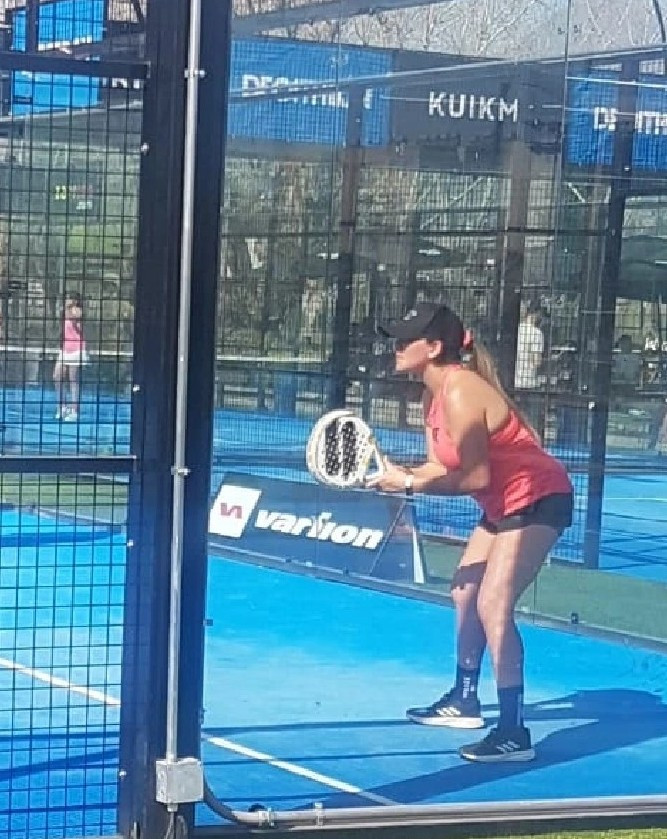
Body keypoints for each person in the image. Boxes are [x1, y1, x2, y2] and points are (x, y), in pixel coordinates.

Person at [369, 302, 573, 763]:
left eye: (405, 340)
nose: (396, 347)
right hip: (503, 502)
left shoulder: (461, 391)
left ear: (433, 347)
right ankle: (464, 700)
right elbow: (439, 467)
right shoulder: (432, 397)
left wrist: (408, 484)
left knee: (493, 605)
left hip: (538, 496)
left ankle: (513, 732)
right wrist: (399, 475)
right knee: (465, 590)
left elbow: (475, 477)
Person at [53, 293, 87, 421]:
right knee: (57, 376)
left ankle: (74, 410)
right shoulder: (64, 312)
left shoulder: (76, 311)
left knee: (73, 379)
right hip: (65, 348)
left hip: (76, 348)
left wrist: (67, 308)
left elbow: (75, 318)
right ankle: (62, 406)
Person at [514, 301, 545, 390]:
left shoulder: (516, 330)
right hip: (528, 382)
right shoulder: (537, 333)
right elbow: (536, 361)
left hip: (513, 380)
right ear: (536, 314)